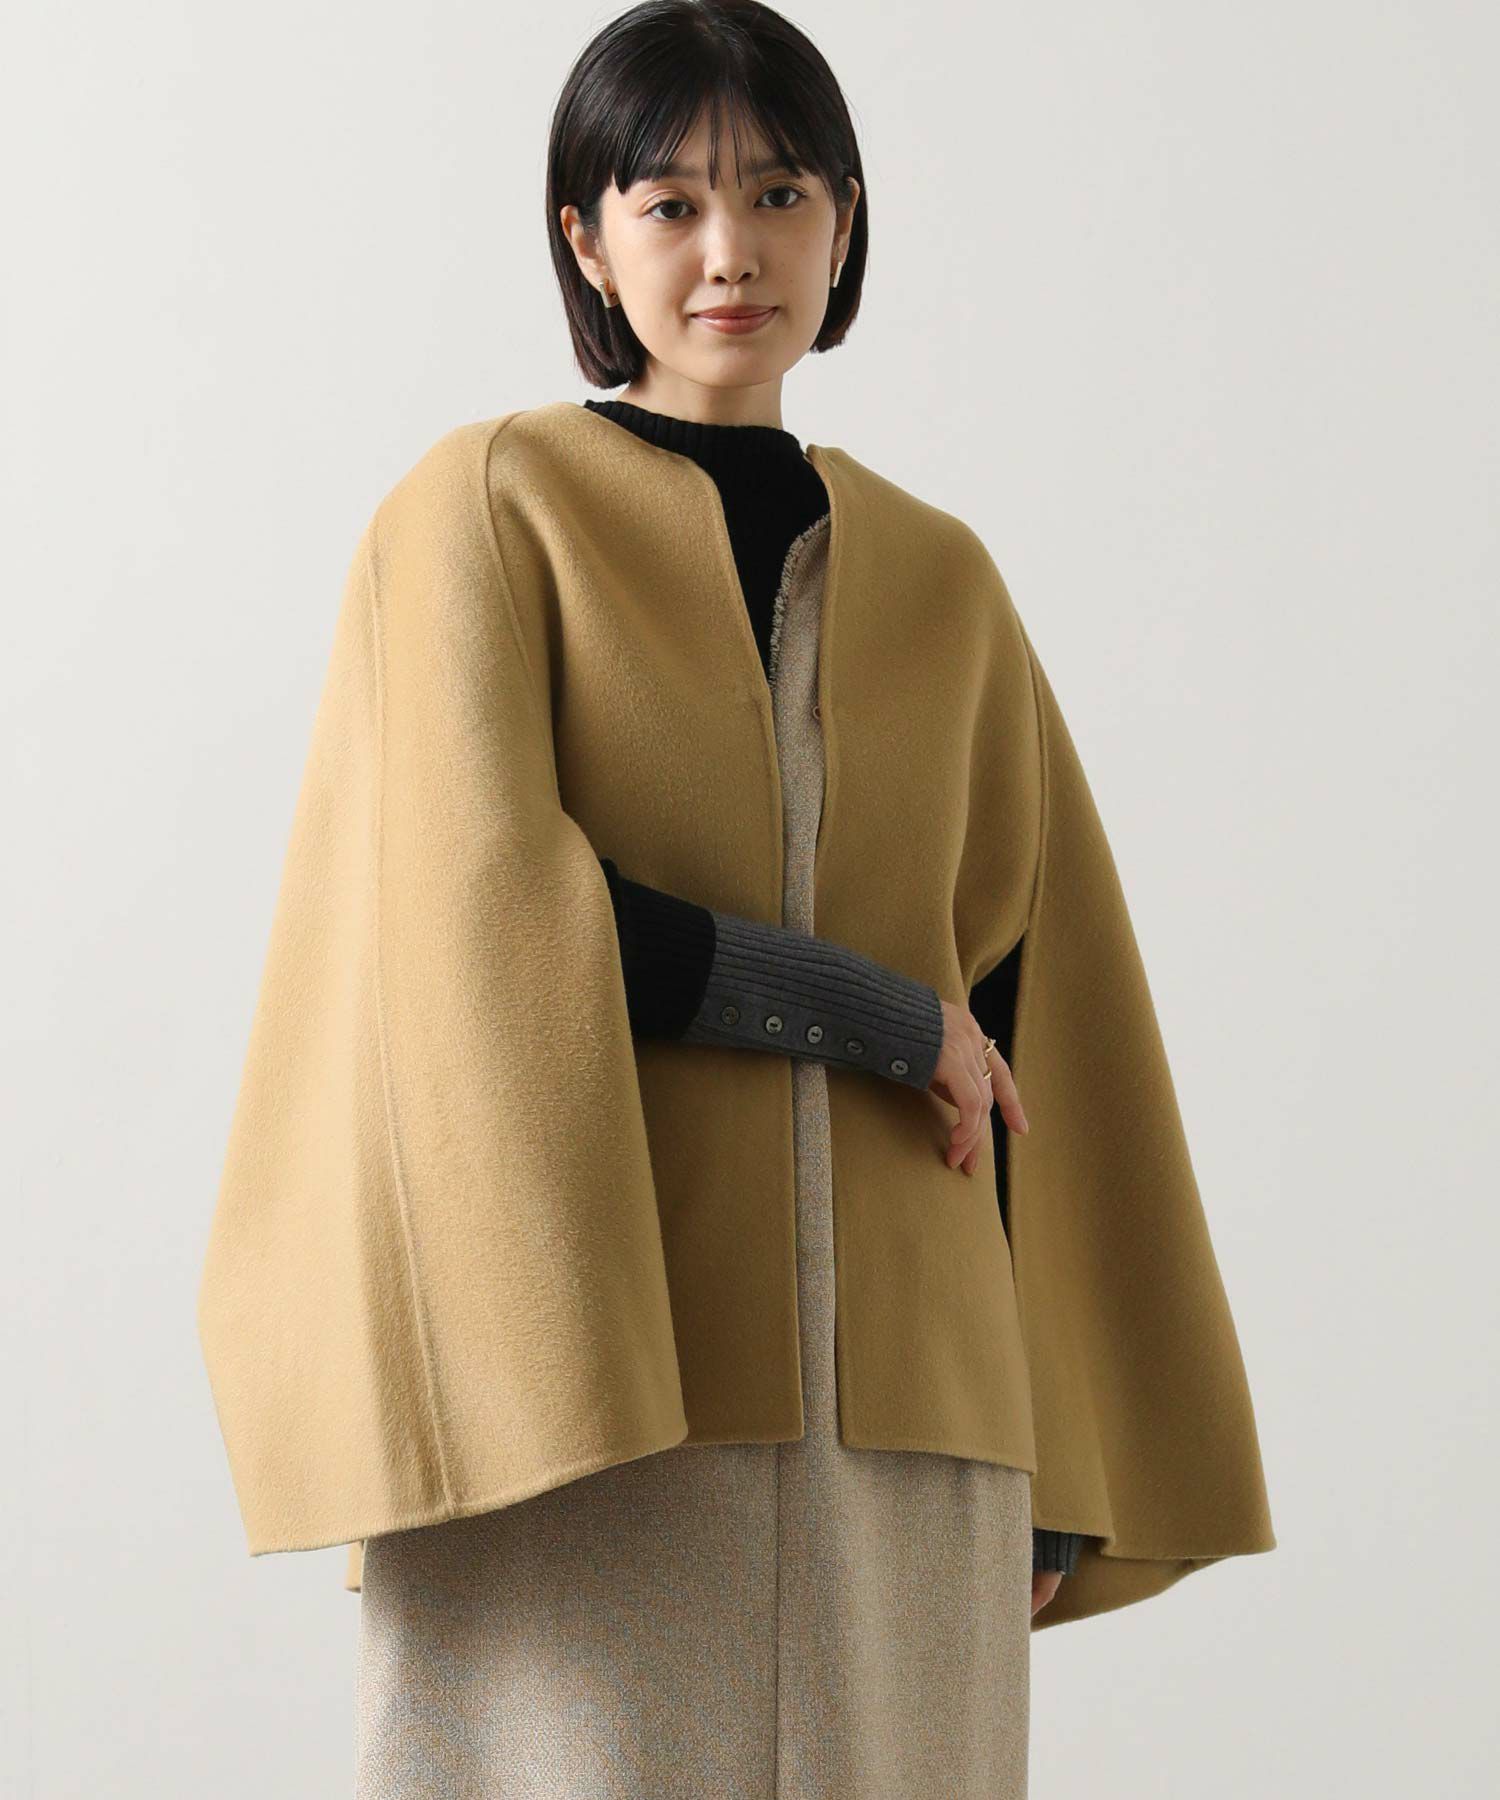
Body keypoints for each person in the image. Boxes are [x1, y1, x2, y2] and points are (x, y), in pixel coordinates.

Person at [198, 3, 1274, 1793]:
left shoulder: (945, 579)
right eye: (671, 202)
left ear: (845, 224)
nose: (730, 252)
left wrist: (1064, 1455)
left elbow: (1043, 1014)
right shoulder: (485, 514)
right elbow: (483, 924)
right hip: (587, 1398)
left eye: (779, 193)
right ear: (585, 239)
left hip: (919, 1423)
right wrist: (879, 1014)